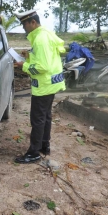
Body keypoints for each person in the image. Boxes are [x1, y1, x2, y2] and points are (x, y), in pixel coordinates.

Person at [13, 10, 66, 163]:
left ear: (33, 22)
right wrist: (29, 56)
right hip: (52, 84)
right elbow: (45, 58)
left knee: (37, 119)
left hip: (44, 85)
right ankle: (44, 145)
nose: (23, 27)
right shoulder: (46, 34)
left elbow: (43, 66)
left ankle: (34, 152)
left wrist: (24, 66)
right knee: (45, 116)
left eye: (24, 24)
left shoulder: (40, 39)